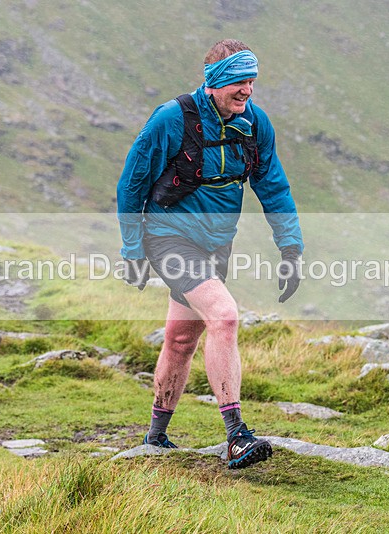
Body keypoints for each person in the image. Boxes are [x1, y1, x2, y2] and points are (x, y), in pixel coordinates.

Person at [116, 39, 303, 469]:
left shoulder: (255, 124)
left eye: (252, 80)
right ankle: (236, 434)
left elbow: (273, 186)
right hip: (168, 239)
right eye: (240, 80)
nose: (248, 90)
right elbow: (132, 183)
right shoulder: (171, 119)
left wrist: (290, 248)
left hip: (218, 244)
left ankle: (155, 438)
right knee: (224, 315)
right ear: (216, 80)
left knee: (182, 338)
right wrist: (132, 250)